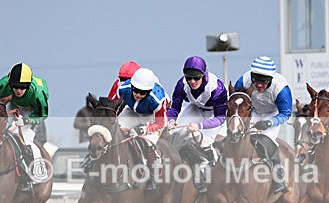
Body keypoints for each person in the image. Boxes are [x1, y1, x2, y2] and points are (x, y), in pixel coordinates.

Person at [167, 56, 228, 191]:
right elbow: (175, 107)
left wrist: (200, 126)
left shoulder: (217, 88)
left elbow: (220, 118)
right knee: (175, 134)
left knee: (203, 140)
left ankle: (209, 163)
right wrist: (171, 120)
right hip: (195, 109)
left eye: (196, 78)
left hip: (214, 114)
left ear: (204, 75)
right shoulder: (181, 84)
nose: (192, 81)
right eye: (189, 78)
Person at [234, 56, 292, 193]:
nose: (259, 85)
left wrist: (268, 123)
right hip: (252, 112)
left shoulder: (282, 89)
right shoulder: (244, 80)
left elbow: (286, 114)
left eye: (264, 82)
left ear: (271, 80)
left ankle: (278, 178)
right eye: (256, 81)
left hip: (272, 115)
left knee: (266, 141)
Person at [0, 63, 49, 192]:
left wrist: (26, 120)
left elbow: (42, 115)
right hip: (11, 104)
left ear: (28, 85)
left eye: (22, 87)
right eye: (15, 87)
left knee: (26, 139)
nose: (18, 91)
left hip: (32, 111)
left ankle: (32, 175)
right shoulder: (3, 84)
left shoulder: (39, 93)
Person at [117, 67, 169, 192]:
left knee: (147, 143)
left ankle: (152, 176)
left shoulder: (157, 99)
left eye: (143, 92)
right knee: (114, 131)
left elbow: (160, 122)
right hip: (132, 112)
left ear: (149, 91)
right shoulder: (123, 89)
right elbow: (115, 107)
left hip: (152, 118)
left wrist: (144, 130)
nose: (138, 95)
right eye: (136, 91)